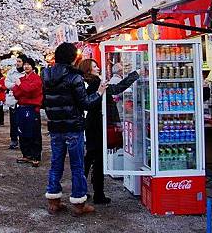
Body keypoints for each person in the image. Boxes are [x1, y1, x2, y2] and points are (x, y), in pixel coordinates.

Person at [42, 43, 107, 216]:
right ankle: (79, 204)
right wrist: (99, 92)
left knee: (56, 164)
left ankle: (54, 202)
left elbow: (45, 102)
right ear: (73, 58)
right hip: (73, 127)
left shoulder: (46, 75)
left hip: (55, 126)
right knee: (77, 165)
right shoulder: (74, 77)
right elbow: (85, 103)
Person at [79, 58, 139, 204]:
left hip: (94, 124)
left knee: (91, 157)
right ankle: (93, 193)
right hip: (97, 124)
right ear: (88, 69)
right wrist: (135, 74)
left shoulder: (91, 81)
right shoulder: (94, 83)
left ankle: (83, 190)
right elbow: (116, 89)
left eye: (97, 65)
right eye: (94, 66)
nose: (98, 68)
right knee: (96, 158)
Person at [12, 58, 43, 167]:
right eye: (25, 64)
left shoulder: (37, 79)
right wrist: (23, 88)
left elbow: (30, 91)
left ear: (33, 66)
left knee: (34, 132)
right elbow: (16, 93)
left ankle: (35, 155)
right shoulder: (21, 79)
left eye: (29, 64)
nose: (26, 66)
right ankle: (26, 154)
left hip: (32, 108)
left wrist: (21, 86)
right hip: (22, 107)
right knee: (22, 131)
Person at [5, 55, 26, 149]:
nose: (17, 63)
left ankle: (23, 140)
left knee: (23, 121)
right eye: (17, 61)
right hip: (13, 100)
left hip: (24, 100)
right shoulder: (11, 72)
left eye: (19, 61)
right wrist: (16, 85)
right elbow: (7, 83)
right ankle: (13, 139)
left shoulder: (27, 72)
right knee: (13, 121)